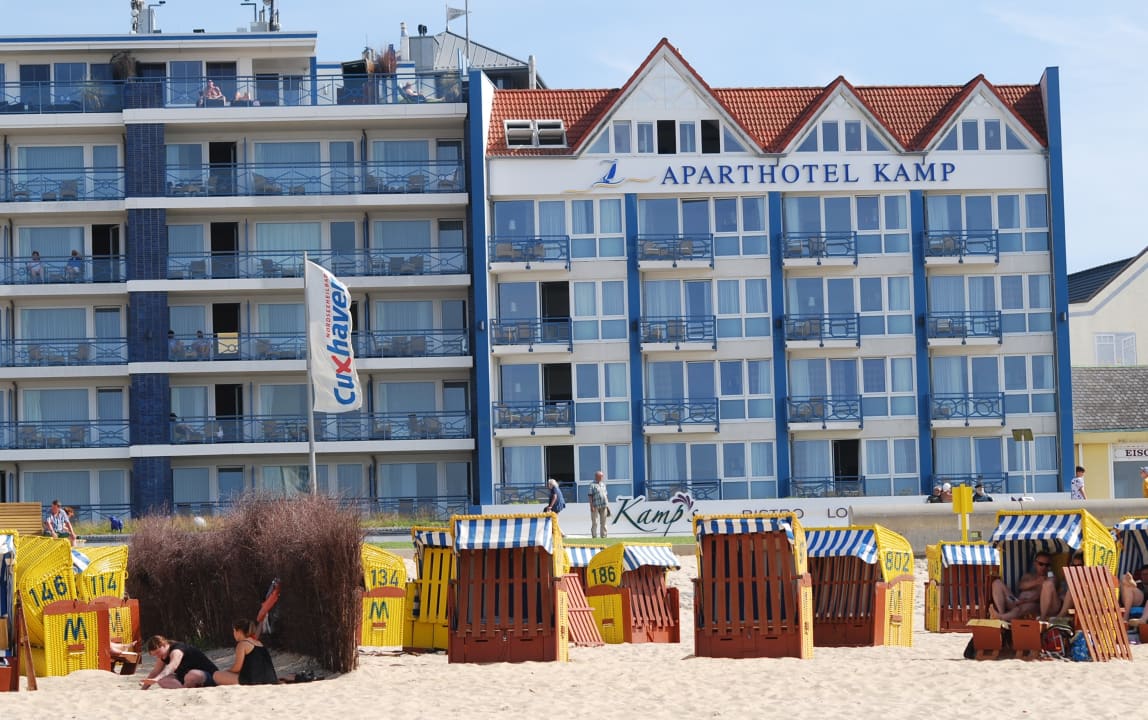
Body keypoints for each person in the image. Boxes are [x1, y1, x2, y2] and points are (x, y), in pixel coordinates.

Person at [990, 551, 1059, 620]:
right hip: (1016, 600)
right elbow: (1021, 586)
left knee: (1021, 608)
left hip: (1033, 605)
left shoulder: (1050, 579)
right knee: (997, 583)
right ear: (1035, 564)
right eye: (1041, 564)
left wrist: (1025, 601)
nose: (1044, 567)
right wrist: (1036, 582)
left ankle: (1001, 617)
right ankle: (1000, 613)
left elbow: (1043, 597)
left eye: (1047, 565)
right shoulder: (1028, 576)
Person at [213, 619, 278, 686]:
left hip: (253, 681)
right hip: (271, 679)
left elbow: (237, 668)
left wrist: (227, 671)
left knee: (216, 675)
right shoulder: (258, 643)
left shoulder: (242, 644)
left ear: (238, 631)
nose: (233, 634)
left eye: (234, 631)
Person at [141, 635, 218, 689]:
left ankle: (184, 688)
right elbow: (155, 672)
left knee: (192, 674)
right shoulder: (163, 655)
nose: (157, 656)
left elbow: (172, 666)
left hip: (208, 676)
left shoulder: (177, 650)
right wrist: (143, 689)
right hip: (185, 679)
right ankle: (184, 689)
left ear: (164, 645)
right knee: (162, 679)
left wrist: (157, 678)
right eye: (155, 655)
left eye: (158, 653)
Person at [588, 470, 610, 538]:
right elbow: (590, 496)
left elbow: (606, 495)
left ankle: (604, 536)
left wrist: (608, 506)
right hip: (595, 505)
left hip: (604, 505)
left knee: (603, 522)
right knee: (595, 522)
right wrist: (591, 506)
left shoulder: (603, 484)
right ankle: (594, 536)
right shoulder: (592, 485)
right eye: (600, 476)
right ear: (596, 476)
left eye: (602, 476)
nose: (601, 477)